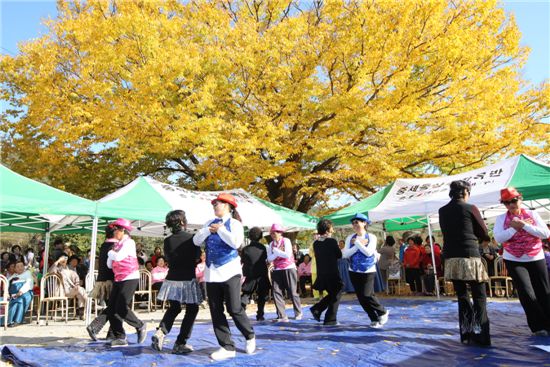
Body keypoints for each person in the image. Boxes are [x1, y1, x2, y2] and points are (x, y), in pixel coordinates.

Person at [193, 193, 256, 361]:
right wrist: (208, 229)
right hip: (211, 272)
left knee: (234, 308)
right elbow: (196, 240)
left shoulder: (235, 224)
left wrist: (220, 229)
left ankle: (249, 335)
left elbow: (235, 243)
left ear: (228, 206)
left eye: (218, 203)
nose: (215, 206)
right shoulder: (208, 223)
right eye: (214, 204)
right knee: (215, 310)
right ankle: (227, 346)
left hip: (230, 271)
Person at [439, 180, 491, 346]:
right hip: (470, 256)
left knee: (462, 296)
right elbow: (483, 231)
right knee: (479, 296)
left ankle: (466, 334)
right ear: (466, 193)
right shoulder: (470, 208)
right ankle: (482, 336)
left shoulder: (443, 210)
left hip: (452, 257)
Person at [493, 187, 550, 336]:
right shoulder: (501, 219)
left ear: (520, 199)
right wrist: (513, 229)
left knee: (544, 291)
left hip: (535, 256)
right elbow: (499, 238)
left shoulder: (532, 214)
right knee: (526, 292)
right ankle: (538, 326)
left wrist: (524, 225)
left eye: (513, 200)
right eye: (506, 202)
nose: (511, 205)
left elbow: (545, 233)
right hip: (513, 258)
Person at [151, 210, 203, 354]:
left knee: (174, 308)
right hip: (187, 278)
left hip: (171, 279)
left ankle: (161, 332)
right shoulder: (192, 238)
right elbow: (197, 257)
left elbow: (168, 258)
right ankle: (180, 343)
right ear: (182, 222)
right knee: (192, 309)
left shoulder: (167, 240)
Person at [343, 213, 389, 328]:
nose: (355, 225)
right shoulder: (350, 238)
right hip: (353, 270)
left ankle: (382, 311)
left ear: (364, 223)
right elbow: (345, 254)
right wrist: (357, 246)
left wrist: (357, 243)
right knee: (361, 297)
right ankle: (373, 318)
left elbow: (368, 252)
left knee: (367, 294)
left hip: (368, 270)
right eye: (353, 223)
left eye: (357, 222)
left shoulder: (371, 237)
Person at [106, 218, 147, 347]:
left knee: (121, 306)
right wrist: (111, 254)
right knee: (111, 308)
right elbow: (109, 265)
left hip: (130, 277)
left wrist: (110, 253)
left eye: (115, 230)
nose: (113, 233)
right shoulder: (116, 245)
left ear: (122, 230)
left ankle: (140, 325)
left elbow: (117, 257)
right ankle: (120, 336)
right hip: (118, 278)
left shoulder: (129, 243)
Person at [309, 219, 343, 326]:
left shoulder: (316, 243)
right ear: (328, 229)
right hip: (332, 273)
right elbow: (339, 255)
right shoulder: (332, 241)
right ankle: (329, 319)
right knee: (336, 293)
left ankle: (317, 309)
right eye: (332, 227)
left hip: (321, 274)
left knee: (333, 294)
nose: (333, 230)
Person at [86, 225, 117, 341]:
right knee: (116, 307)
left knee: (113, 307)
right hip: (111, 281)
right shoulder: (114, 246)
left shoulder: (104, 245)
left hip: (102, 280)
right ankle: (95, 326)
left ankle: (112, 334)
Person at [267, 223, 303, 322]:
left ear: (280, 233)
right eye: (272, 233)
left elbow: (287, 255)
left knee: (292, 291)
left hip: (289, 267)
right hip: (277, 269)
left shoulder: (286, 241)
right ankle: (282, 315)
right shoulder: (271, 245)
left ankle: (298, 312)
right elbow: (269, 258)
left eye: (275, 233)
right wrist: (276, 253)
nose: (273, 235)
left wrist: (277, 252)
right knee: (276, 292)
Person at [240, 226, 270, 321]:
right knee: (262, 295)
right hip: (261, 274)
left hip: (250, 275)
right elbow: (266, 259)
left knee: (246, 294)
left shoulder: (245, 249)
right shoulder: (263, 248)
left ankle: (242, 312)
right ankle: (260, 315)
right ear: (260, 236)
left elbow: (243, 261)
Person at [48, 252, 87, 319]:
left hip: (70, 290)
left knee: (80, 292)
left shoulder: (69, 269)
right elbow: (50, 272)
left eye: (65, 259)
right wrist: (58, 261)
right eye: (63, 259)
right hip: (61, 291)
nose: (64, 260)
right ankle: (88, 301)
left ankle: (81, 312)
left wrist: (76, 284)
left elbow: (76, 278)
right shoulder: (57, 268)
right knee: (81, 290)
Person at [3, 260, 34, 327]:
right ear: (15, 269)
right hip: (14, 295)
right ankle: (9, 321)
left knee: (20, 300)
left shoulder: (27, 273)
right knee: (13, 301)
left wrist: (21, 292)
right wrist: (7, 292)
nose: (20, 268)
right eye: (18, 266)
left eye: (22, 266)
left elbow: (29, 283)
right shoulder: (13, 276)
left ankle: (17, 321)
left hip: (25, 292)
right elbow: (6, 285)